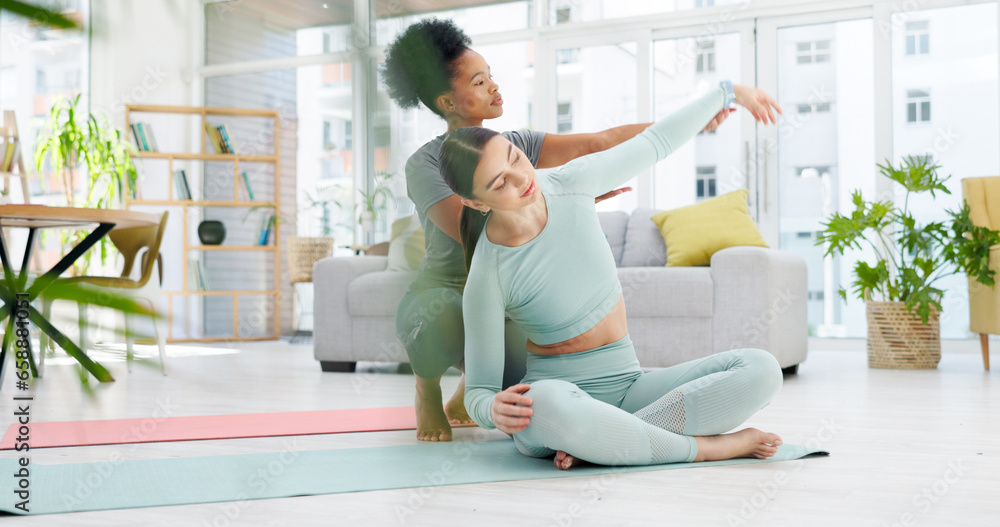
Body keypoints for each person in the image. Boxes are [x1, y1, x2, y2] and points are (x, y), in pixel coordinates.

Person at [381, 18, 735, 442]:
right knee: (441, 313)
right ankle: (427, 390)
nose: (495, 87)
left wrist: (689, 122)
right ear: (448, 101)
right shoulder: (427, 164)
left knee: (526, 389)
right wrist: (559, 204)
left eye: (491, 76)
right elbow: (470, 228)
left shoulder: (515, 146)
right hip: (444, 297)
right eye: (479, 82)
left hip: (509, 308)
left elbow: (599, 143)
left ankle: (468, 393)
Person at [440, 80, 786, 469]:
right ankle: (709, 448)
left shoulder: (573, 182)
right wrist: (492, 410)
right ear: (475, 203)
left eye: (515, 158)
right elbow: (480, 392)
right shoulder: (488, 274)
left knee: (762, 369)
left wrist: (728, 92)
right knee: (546, 403)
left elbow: (657, 142)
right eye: (499, 183)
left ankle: (606, 441)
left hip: (629, 386)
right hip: (558, 407)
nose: (522, 179)